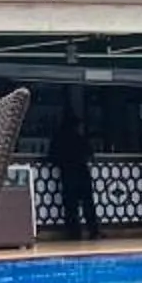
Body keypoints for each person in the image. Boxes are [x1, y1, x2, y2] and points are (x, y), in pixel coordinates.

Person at [52, 102, 97, 242]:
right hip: (82, 173)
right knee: (88, 203)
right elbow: (90, 153)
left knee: (71, 207)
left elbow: (52, 157)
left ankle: (74, 233)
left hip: (68, 175)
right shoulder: (79, 137)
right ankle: (93, 231)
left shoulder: (58, 139)